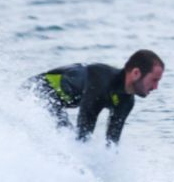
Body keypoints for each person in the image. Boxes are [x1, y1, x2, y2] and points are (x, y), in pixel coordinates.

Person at [25, 49, 164, 146]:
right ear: (136, 73)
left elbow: (112, 145)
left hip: (53, 102)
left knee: (71, 141)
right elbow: (84, 130)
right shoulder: (101, 79)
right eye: (154, 80)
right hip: (35, 92)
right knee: (68, 138)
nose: (156, 87)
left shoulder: (126, 102)